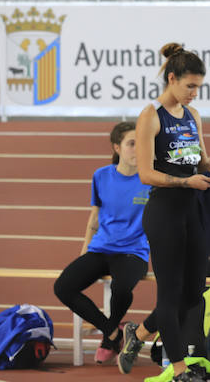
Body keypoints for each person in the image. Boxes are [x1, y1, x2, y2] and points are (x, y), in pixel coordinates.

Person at [117, 42, 210, 382]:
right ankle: (178, 372)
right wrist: (184, 181)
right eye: (189, 86)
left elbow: (202, 161)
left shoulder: (194, 116)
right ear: (171, 78)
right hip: (164, 214)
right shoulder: (151, 116)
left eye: (198, 87)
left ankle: (139, 333)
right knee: (170, 296)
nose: (194, 93)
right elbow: (145, 173)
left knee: (192, 295)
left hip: (193, 212)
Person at [53, 122, 151, 364]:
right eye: (131, 143)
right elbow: (94, 217)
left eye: (140, 142)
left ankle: (109, 339)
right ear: (117, 147)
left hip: (134, 252)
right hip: (101, 249)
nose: (137, 148)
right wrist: (84, 250)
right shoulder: (101, 176)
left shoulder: (150, 178)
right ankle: (113, 331)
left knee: (121, 288)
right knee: (63, 287)